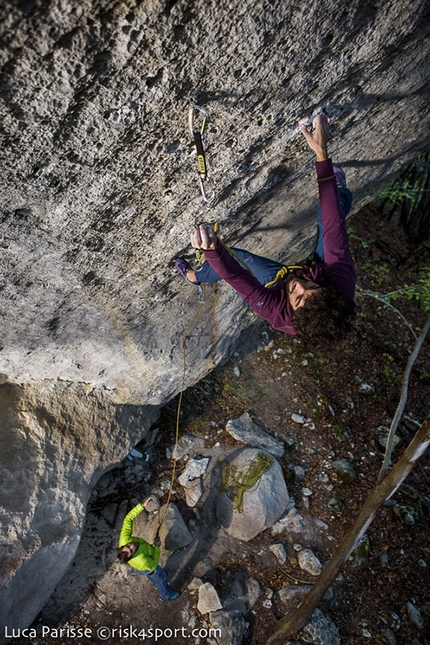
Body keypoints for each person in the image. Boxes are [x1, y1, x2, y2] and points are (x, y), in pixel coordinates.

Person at [175, 114, 356, 349]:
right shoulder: (341, 283)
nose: (299, 285)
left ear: (294, 313)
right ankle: (340, 192)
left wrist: (212, 251)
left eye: (299, 299)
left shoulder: (276, 312)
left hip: (277, 284)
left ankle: (194, 277)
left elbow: (236, 277)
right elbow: (334, 228)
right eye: (311, 288)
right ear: (326, 290)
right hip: (321, 268)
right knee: (331, 215)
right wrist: (322, 155)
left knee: (238, 258)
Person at [117, 499, 180, 601]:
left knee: (154, 577)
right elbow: (154, 564)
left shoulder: (124, 540)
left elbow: (128, 519)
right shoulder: (142, 560)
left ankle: (157, 582)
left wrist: (142, 506)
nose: (132, 546)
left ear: (123, 546)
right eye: (132, 551)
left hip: (143, 567)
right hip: (150, 568)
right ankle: (166, 596)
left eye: (128, 546)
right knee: (160, 579)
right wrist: (156, 547)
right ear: (132, 556)